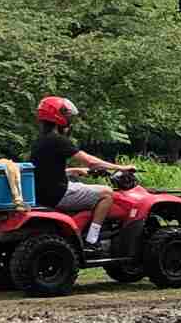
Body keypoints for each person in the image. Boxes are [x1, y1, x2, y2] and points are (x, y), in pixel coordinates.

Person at [30, 96, 135, 251]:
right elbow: (91, 161)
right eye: (67, 115)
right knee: (106, 193)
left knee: (85, 186)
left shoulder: (40, 141)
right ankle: (92, 240)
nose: (69, 120)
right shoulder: (58, 140)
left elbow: (45, 170)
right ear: (59, 116)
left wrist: (74, 171)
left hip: (42, 193)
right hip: (58, 194)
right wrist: (121, 168)